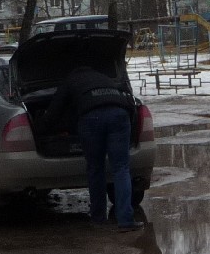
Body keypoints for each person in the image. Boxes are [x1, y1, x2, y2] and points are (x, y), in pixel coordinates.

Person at [43, 65, 142, 230]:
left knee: (96, 168)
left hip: (91, 117)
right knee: (121, 168)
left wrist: (42, 128)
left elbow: (55, 110)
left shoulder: (70, 81)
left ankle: (99, 219)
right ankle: (126, 221)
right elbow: (129, 101)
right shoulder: (105, 78)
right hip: (120, 114)